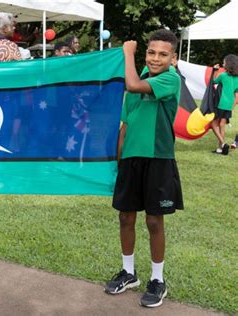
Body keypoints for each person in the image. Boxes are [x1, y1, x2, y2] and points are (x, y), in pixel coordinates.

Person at [104, 29, 183, 308]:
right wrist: (118, 161)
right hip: (131, 160)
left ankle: (158, 279)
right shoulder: (138, 80)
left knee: (153, 220)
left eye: (163, 54)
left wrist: (127, 52)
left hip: (158, 158)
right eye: (151, 52)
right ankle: (128, 273)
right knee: (126, 217)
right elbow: (124, 126)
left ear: (173, 58)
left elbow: (133, 85)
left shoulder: (170, 79)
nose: (156, 58)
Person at [210, 54, 238, 155]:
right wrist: (232, 108)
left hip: (221, 104)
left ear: (228, 64)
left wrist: (215, 71)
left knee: (213, 124)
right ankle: (220, 149)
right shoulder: (237, 78)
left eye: (224, 62)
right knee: (222, 125)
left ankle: (223, 143)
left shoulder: (223, 75)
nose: (223, 64)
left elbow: (213, 81)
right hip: (229, 106)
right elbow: (236, 96)